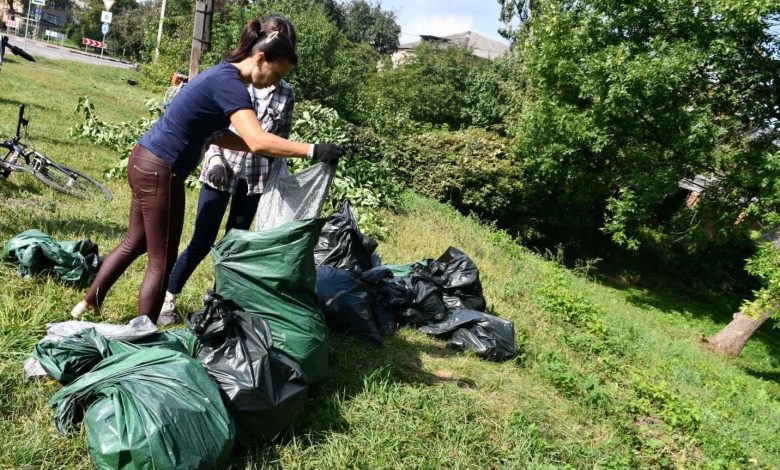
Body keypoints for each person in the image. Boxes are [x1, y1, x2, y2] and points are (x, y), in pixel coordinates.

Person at [70, 17, 343, 322]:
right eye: (276, 74)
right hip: (163, 169)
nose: (275, 83)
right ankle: (142, 335)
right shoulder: (231, 85)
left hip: (144, 159)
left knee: (136, 241)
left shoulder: (222, 74)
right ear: (261, 58)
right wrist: (312, 150)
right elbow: (256, 140)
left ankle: (89, 303)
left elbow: (221, 135)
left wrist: (259, 145)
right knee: (162, 260)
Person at [157, 15, 298, 325]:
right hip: (220, 170)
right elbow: (216, 128)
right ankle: (168, 298)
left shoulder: (285, 94)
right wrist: (215, 158)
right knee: (202, 239)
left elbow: (278, 141)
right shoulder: (234, 79)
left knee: (235, 243)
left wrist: (277, 180)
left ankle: (216, 305)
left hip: (254, 178)